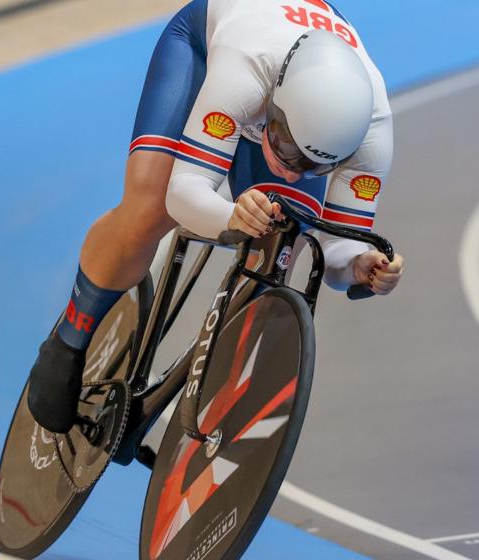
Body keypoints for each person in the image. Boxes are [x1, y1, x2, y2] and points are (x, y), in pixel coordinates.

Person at [27, 0, 406, 434]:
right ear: (275, 105)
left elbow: (337, 250)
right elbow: (183, 194)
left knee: (288, 240)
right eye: (284, 147)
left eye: (313, 166)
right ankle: (70, 338)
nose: (290, 168)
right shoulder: (244, 70)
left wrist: (360, 266)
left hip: (284, 90)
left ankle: (215, 395)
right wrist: (232, 214)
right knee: (148, 208)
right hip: (205, 46)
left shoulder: (373, 132)